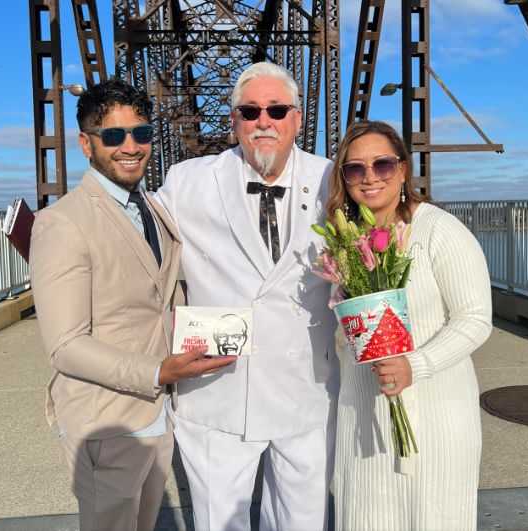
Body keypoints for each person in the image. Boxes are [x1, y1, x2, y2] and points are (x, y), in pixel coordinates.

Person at [29, 79, 235, 531]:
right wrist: (157, 372)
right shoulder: (61, 224)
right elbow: (65, 345)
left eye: (141, 134)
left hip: (158, 414)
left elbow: (159, 296)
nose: (130, 146)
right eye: (113, 135)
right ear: (86, 143)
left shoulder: (151, 208)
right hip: (106, 421)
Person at [155, 62, 340, 531]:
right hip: (218, 390)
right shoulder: (186, 181)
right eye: (250, 110)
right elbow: (133, 242)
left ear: (297, 118)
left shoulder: (334, 180)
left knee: (303, 523)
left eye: (277, 110)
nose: (264, 121)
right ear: (234, 119)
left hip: (307, 389)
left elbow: (383, 237)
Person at [327, 120, 492, 530]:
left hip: (434, 418)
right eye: (354, 169)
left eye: (382, 165)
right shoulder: (347, 241)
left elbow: (475, 319)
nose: (369, 177)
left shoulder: (439, 230)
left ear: (403, 170)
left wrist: (414, 365)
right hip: (363, 416)